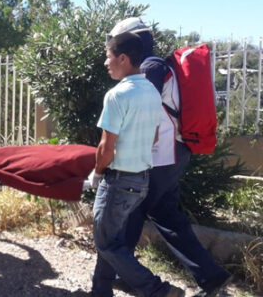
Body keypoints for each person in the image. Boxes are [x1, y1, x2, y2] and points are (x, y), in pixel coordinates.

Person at [98, 17, 232, 297]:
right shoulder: (158, 64)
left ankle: (123, 282)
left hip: (160, 156)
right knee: (165, 216)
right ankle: (211, 277)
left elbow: (140, 107)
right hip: (172, 153)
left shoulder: (150, 68)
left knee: (128, 214)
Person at [89, 32, 184, 297]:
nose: (106, 63)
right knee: (111, 241)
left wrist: (97, 173)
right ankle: (100, 291)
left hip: (118, 180)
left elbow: (106, 148)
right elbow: (154, 137)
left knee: (106, 244)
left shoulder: (117, 95)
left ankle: (157, 290)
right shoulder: (152, 92)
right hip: (141, 180)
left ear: (123, 58)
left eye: (108, 57)